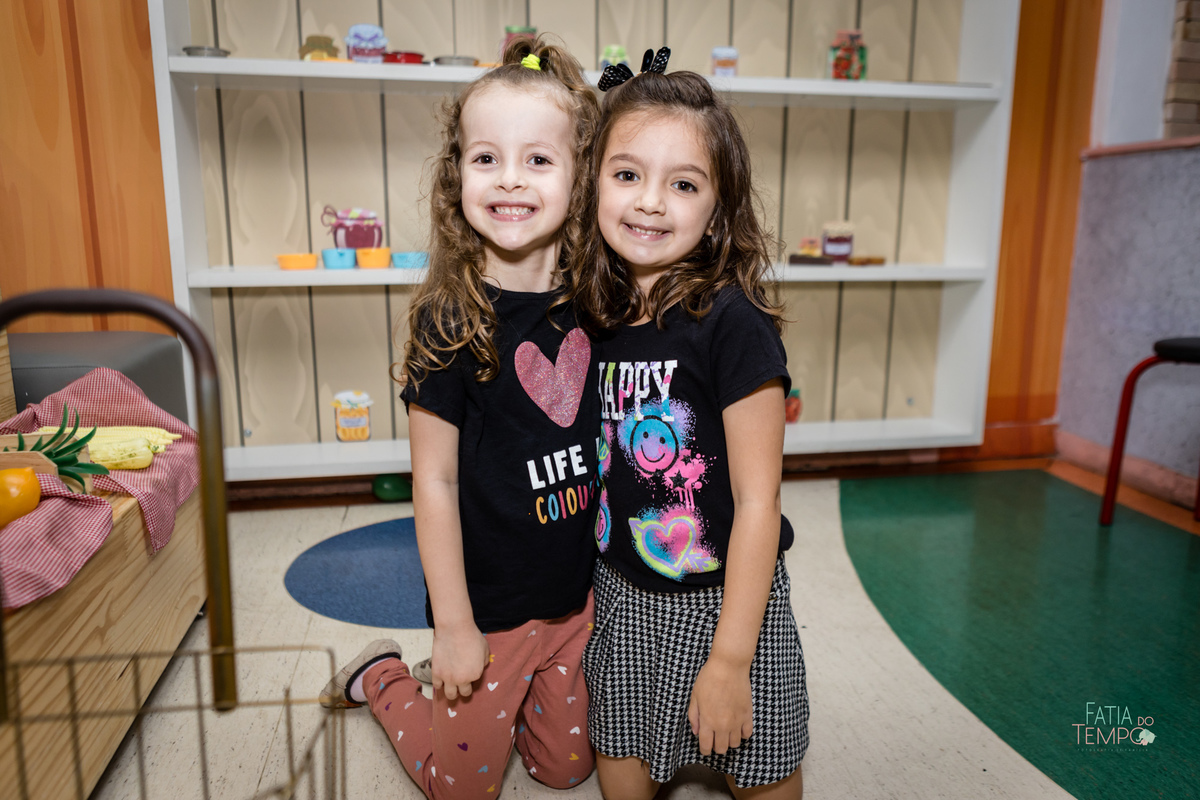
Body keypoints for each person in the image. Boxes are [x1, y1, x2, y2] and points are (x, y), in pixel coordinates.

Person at [318, 36, 601, 798]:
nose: (511, 179)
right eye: (487, 158)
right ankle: (384, 678)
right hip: (488, 612)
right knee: (461, 788)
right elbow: (435, 483)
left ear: (580, 178)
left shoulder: (598, 303)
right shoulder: (450, 320)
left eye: (539, 160)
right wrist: (452, 627)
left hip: (576, 603)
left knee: (568, 771)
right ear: (457, 176)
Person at [571, 51, 809, 799]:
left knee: (764, 763)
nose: (650, 202)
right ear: (594, 186)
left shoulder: (733, 325)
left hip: (730, 597)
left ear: (718, 207)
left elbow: (760, 502)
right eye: (628, 174)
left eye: (683, 184)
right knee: (621, 751)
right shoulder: (597, 313)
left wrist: (732, 659)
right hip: (625, 593)